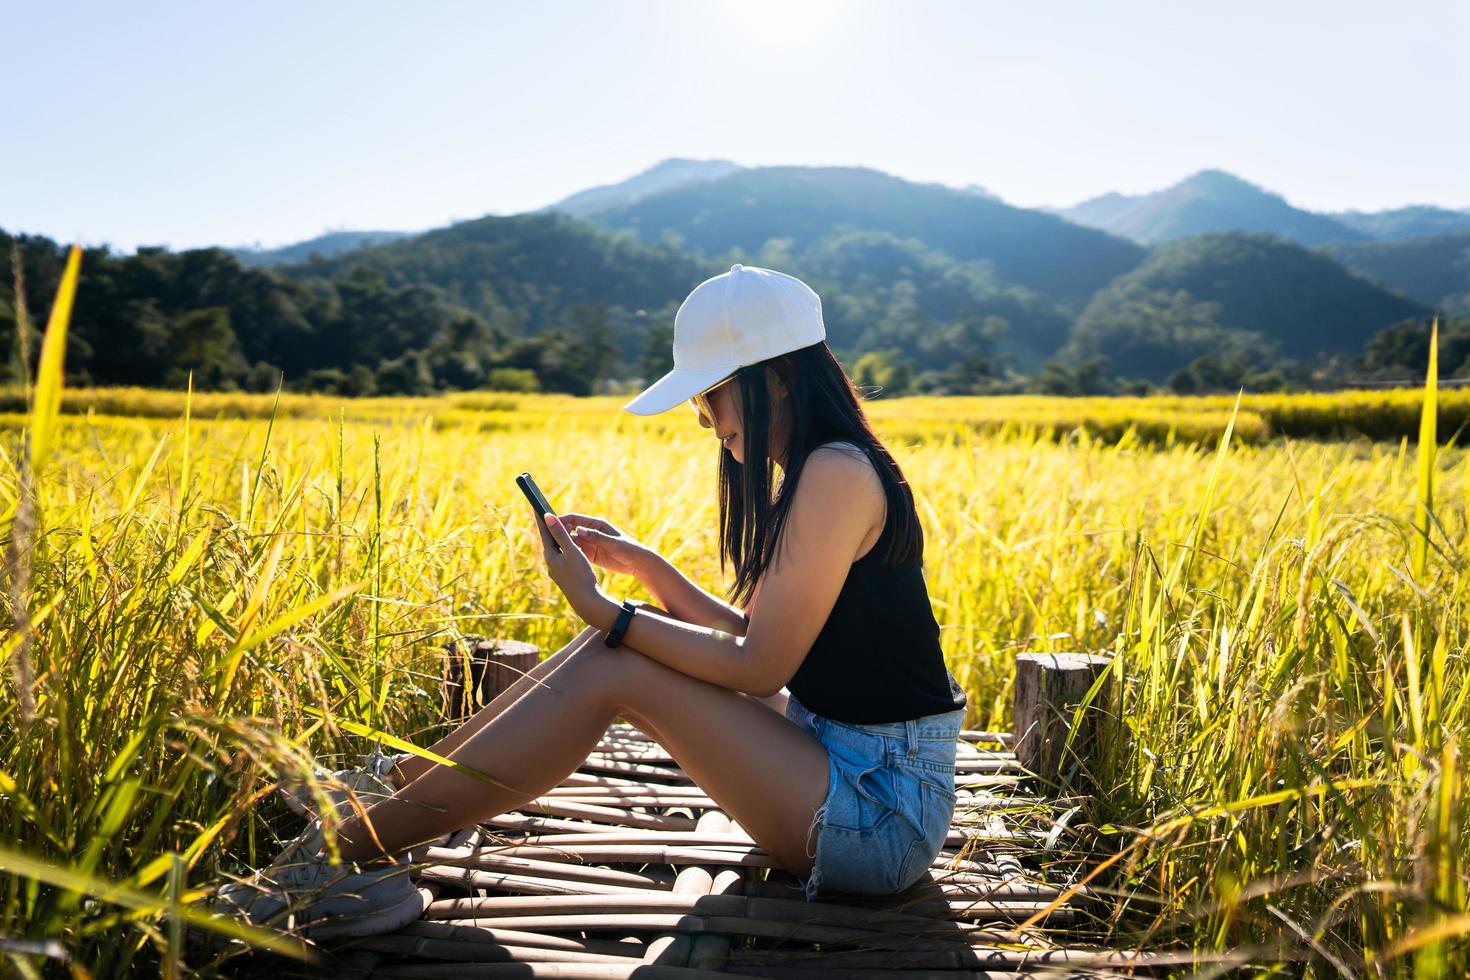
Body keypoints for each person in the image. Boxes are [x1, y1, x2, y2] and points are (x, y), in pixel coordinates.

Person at [204, 263, 969, 942]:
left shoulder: (834, 473)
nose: (704, 419)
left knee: (617, 661)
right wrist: (646, 570)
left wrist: (608, 611)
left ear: (775, 376)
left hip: (880, 814)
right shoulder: (818, 470)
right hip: (836, 760)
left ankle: (343, 857)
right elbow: (760, 640)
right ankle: (399, 792)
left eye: (710, 394)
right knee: (607, 649)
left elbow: (760, 665)